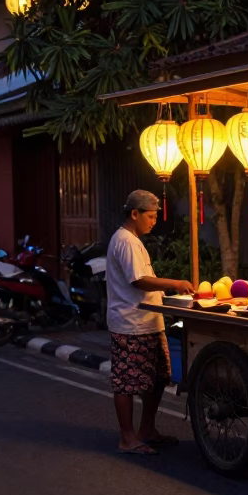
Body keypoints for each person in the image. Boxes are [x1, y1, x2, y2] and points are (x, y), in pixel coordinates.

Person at [106, 190, 195, 456]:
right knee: (127, 382)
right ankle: (127, 437)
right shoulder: (126, 241)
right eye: (150, 216)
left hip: (147, 321)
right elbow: (139, 280)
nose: (154, 221)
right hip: (130, 322)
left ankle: (146, 430)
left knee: (155, 379)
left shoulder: (132, 240)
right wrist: (174, 283)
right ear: (134, 214)